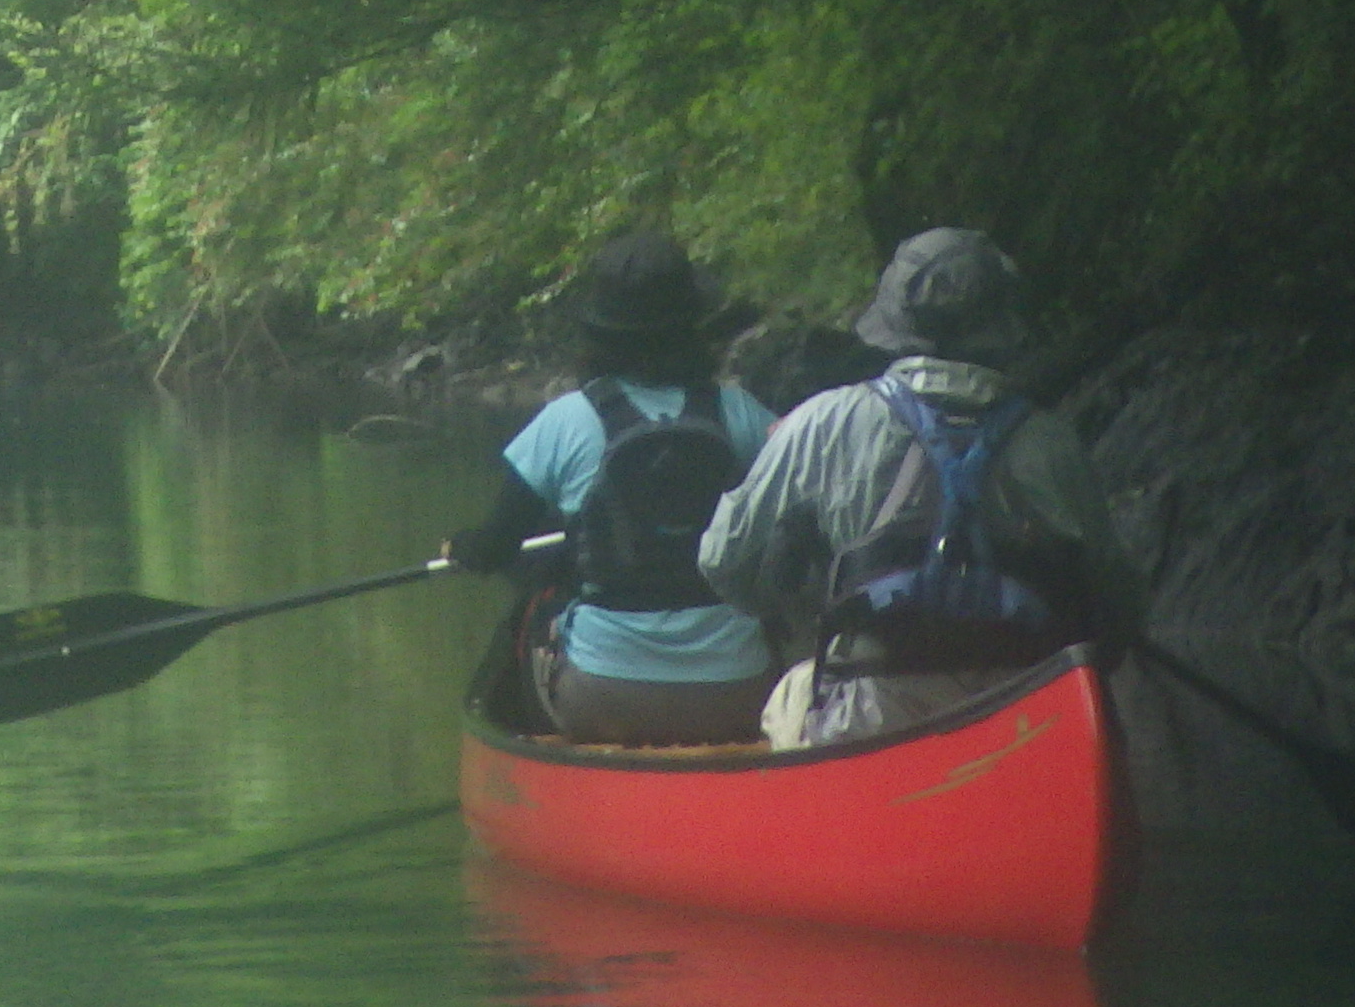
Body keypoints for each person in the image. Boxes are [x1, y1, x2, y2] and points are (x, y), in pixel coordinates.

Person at [697, 227, 1145, 748]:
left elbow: (722, 562)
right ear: (1001, 323)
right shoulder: (1052, 442)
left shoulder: (822, 422)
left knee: (792, 693)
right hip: (1027, 714)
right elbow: (1116, 612)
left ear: (897, 324)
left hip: (869, 715)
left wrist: (790, 601)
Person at [445, 230, 780, 744]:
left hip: (602, 700)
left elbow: (496, 548)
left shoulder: (564, 421)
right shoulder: (743, 414)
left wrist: (464, 548)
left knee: (534, 605)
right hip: (740, 692)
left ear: (598, 332)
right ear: (694, 325)